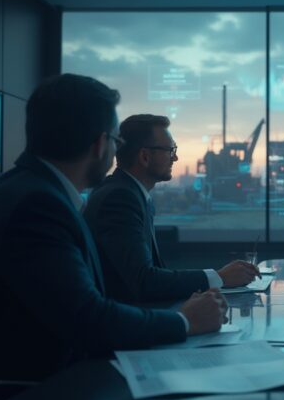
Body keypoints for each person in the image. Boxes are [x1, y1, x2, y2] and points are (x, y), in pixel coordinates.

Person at [0, 74, 228, 382]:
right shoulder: (39, 206)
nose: (116, 153)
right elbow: (87, 319)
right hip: (36, 395)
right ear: (100, 144)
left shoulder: (27, 190)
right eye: (115, 141)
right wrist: (183, 321)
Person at [84, 114, 259, 304]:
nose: (175, 157)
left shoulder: (129, 193)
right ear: (145, 156)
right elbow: (145, 282)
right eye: (170, 150)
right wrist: (219, 277)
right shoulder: (120, 199)